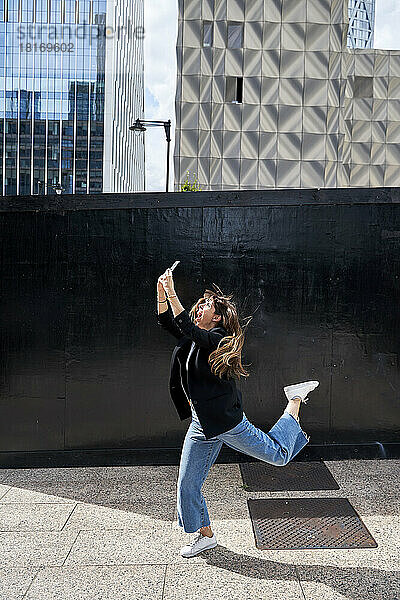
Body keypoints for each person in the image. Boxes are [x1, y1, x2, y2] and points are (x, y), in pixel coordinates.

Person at [156, 267, 319, 558]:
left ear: (216, 318)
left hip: (227, 423)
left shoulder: (217, 339)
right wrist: (161, 291)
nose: (199, 308)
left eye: (205, 306)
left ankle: (294, 400)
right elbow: (166, 320)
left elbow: (187, 325)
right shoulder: (192, 339)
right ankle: (206, 537)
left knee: (279, 456)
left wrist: (172, 292)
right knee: (187, 486)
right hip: (201, 424)